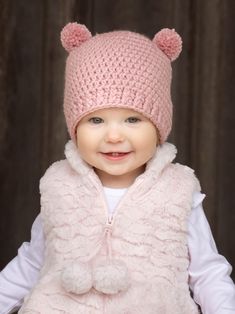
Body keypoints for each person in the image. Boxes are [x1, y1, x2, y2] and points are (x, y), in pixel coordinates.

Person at [0, 22, 235, 314]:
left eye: (133, 120)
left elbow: (208, 275)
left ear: (159, 127)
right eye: (96, 120)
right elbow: (32, 263)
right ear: (74, 127)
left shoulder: (178, 193)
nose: (113, 136)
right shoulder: (59, 187)